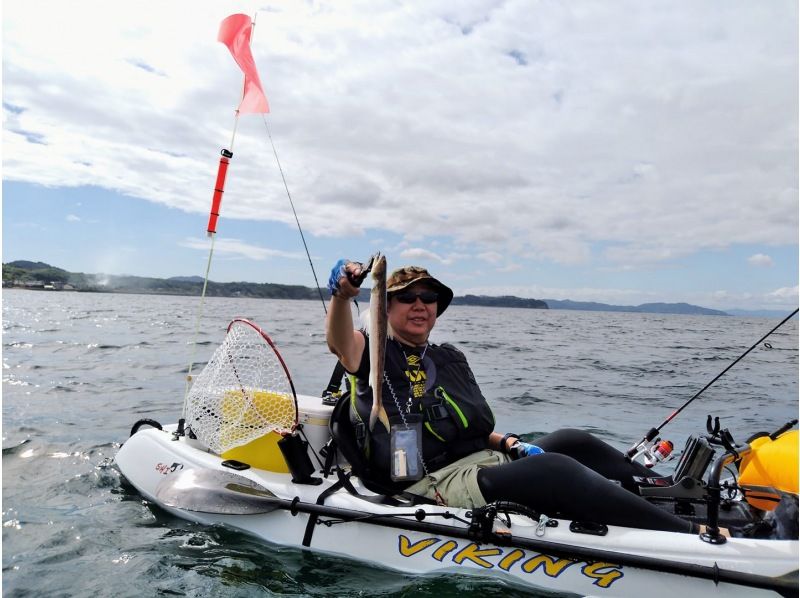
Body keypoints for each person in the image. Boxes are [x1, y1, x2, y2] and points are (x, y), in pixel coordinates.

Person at [325, 259, 700, 534]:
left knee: (571, 441)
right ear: (385, 307)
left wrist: (511, 443)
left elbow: (464, 427)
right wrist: (343, 297)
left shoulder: (448, 357)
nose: (420, 305)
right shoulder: (373, 350)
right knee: (554, 470)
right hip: (432, 482)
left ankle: (672, 491)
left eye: (428, 297)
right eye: (406, 297)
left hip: (482, 459)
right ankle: (686, 534)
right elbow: (342, 344)